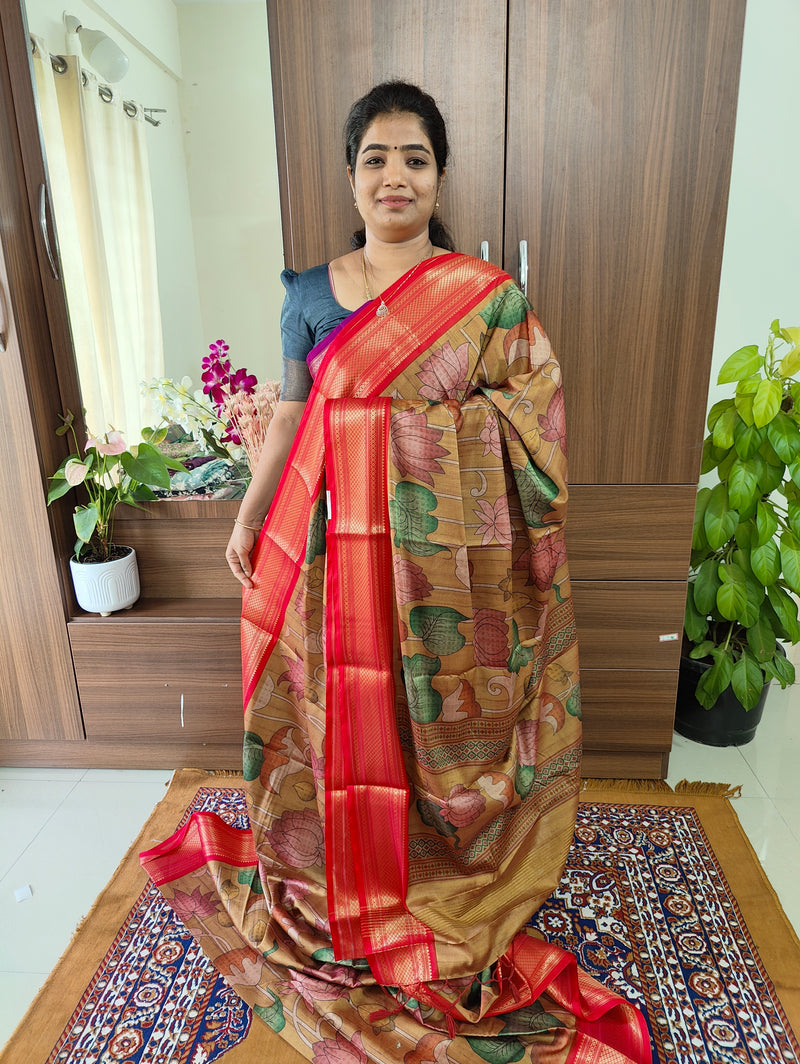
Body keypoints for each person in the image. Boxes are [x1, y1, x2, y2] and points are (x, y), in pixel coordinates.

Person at [141, 82, 650, 1064]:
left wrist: (399, 438)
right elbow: (292, 419)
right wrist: (250, 515)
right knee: (334, 720)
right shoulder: (305, 293)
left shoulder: (486, 297)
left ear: (437, 174)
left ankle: (430, 877)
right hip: (332, 554)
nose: (394, 174)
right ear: (350, 174)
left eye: (414, 157)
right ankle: (344, 878)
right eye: (375, 156)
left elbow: (532, 422)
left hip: (440, 579)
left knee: (426, 737)